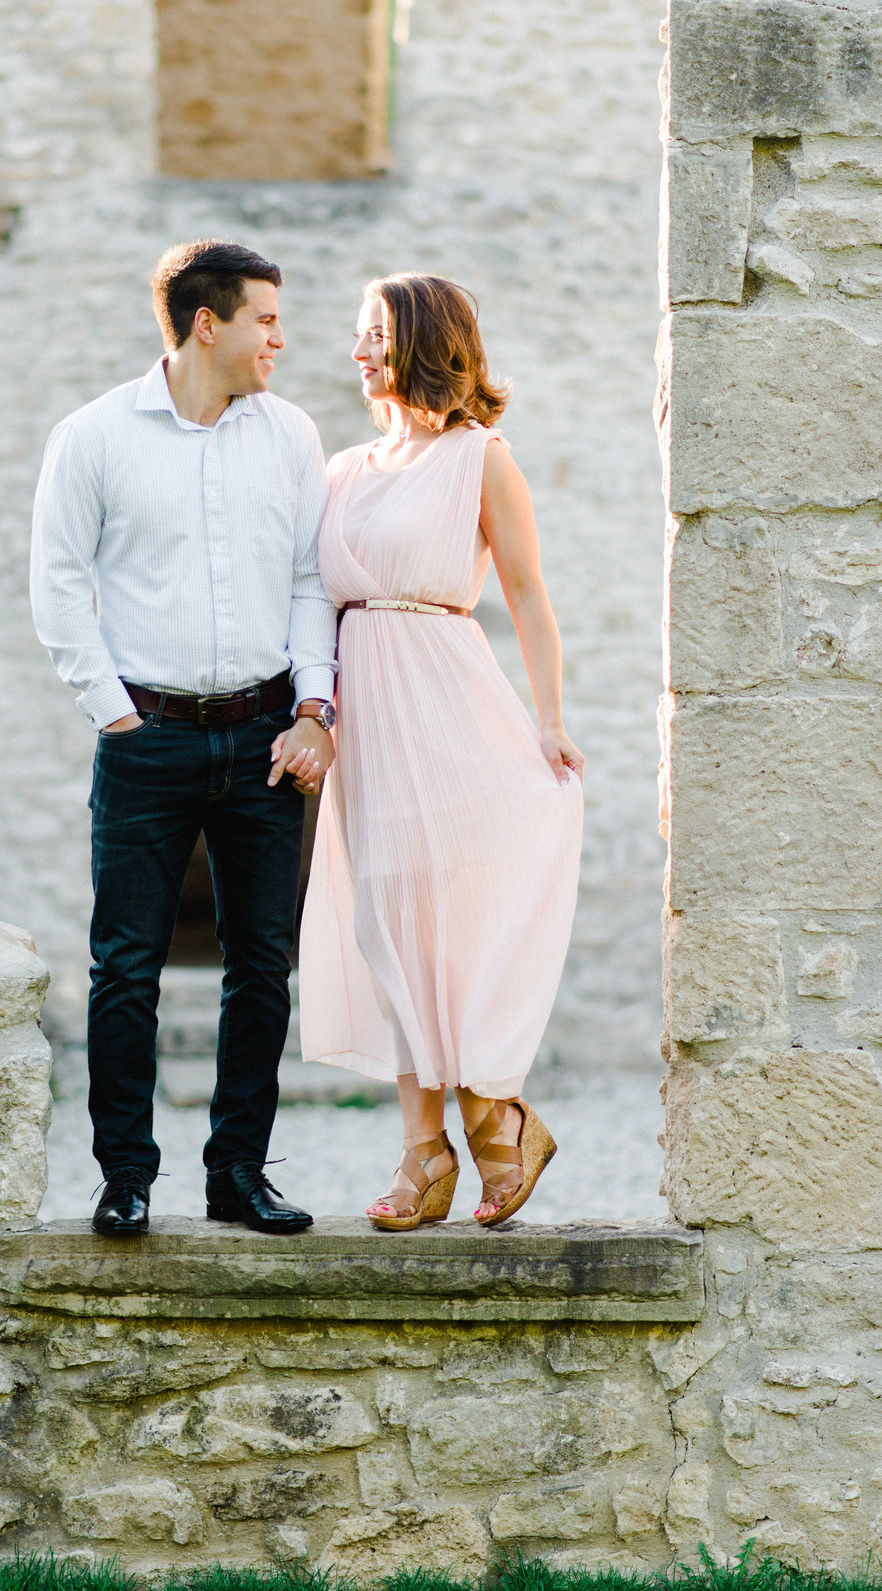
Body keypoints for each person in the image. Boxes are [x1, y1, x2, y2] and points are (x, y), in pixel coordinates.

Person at [31, 239, 337, 1237]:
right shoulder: (94, 437)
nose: (280, 341)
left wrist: (312, 707)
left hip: (264, 737)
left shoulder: (290, 435)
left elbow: (306, 581)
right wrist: (112, 711)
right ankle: (125, 1178)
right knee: (125, 966)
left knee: (262, 964)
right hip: (147, 738)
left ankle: (237, 1174)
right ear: (209, 324)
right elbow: (59, 581)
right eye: (267, 321)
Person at [298, 272, 584, 1230]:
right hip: (368, 720)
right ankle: (449, 1138)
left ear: (420, 339)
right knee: (385, 923)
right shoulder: (340, 469)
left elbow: (531, 594)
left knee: (448, 921)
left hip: (450, 701)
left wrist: (548, 718)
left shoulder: (481, 459)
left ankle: (477, 1119)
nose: (357, 351)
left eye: (374, 333)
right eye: (356, 333)